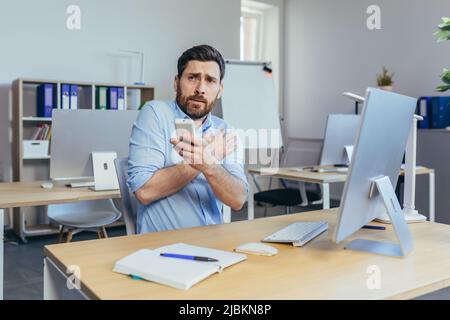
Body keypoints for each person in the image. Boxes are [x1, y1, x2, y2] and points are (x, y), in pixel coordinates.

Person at [127, 44, 248, 233]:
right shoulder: (156, 114)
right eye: (192, 78)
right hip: (164, 249)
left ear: (220, 89)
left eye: (210, 81)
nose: (200, 88)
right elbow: (144, 191)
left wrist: (210, 165)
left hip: (215, 246)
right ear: (176, 82)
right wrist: (208, 156)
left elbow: (238, 199)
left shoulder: (225, 131)